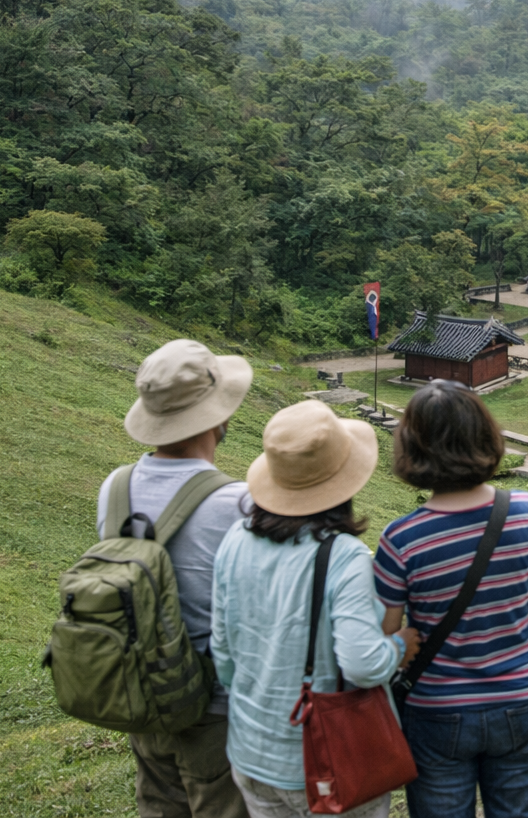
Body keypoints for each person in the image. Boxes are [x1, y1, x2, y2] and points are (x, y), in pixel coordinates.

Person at [375, 380, 528, 818]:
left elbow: (387, 635)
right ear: (486, 435)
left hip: (435, 710)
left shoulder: (400, 540)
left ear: (411, 447)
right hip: (521, 698)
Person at [210, 399, 416, 818]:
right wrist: (399, 646)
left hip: (251, 754)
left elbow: (224, 655)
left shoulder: (235, 538)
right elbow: (361, 664)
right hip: (329, 762)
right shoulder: (344, 556)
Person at [102, 339, 255, 818]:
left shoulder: (116, 486)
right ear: (217, 415)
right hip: (215, 710)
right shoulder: (238, 503)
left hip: (144, 696)